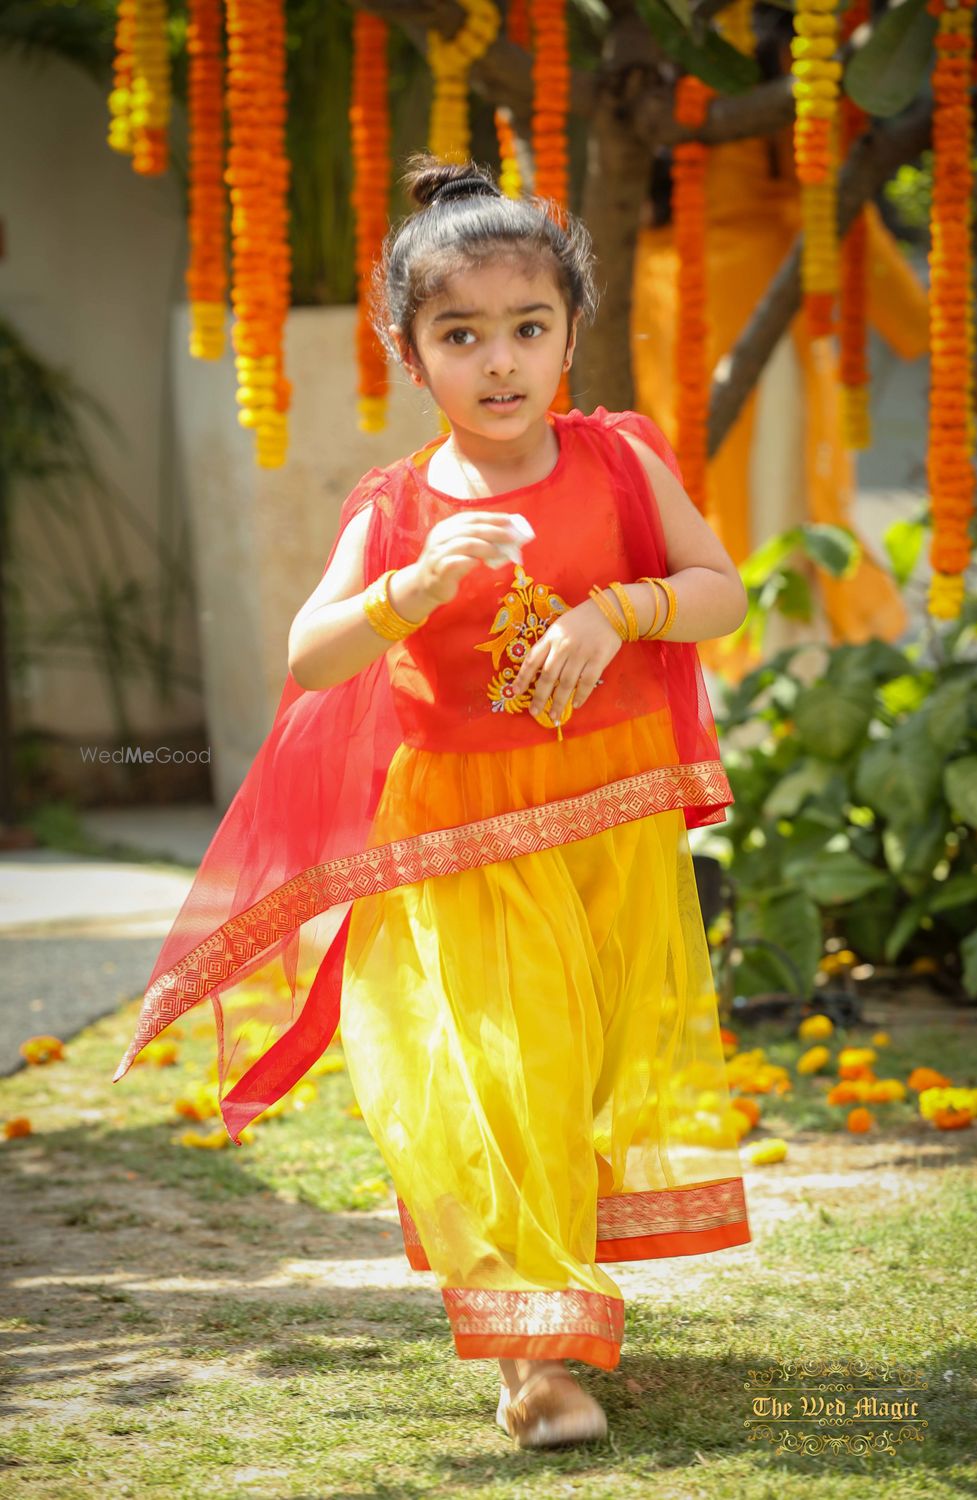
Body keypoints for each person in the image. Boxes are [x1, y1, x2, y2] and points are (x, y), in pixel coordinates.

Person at [112, 150, 753, 1451]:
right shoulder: (395, 506)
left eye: (529, 329)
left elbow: (718, 590)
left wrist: (615, 613)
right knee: (487, 1084)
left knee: (569, 1084)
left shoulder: (620, 461)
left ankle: (545, 1313)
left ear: (573, 329)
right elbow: (308, 658)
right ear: (413, 356)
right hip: (454, 848)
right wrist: (404, 591)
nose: (502, 362)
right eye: (463, 335)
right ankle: (539, 1365)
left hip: (605, 831)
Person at [631, 14, 931, 685]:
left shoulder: (662, 43)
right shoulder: (738, 47)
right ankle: (773, 669)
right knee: (759, 489)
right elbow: (817, 192)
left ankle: (736, 670)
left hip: (690, 303)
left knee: (727, 484)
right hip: (718, 301)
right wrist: (915, 317)